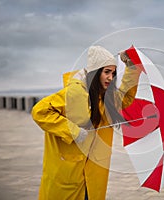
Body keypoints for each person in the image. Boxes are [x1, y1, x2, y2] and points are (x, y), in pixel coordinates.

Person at [32, 46, 140, 199]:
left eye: (113, 73)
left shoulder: (106, 98)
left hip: (93, 174)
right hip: (67, 172)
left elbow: (125, 99)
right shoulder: (74, 93)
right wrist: (73, 131)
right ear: (95, 73)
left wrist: (131, 67)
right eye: (106, 72)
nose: (110, 77)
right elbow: (40, 111)